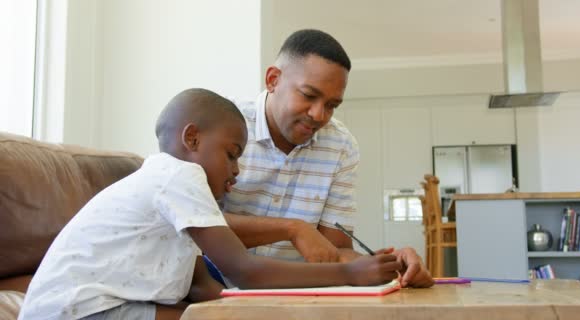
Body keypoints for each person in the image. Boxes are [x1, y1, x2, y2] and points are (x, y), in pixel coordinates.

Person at [18, 88, 404, 320]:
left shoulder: (176, 197)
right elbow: (245, 271)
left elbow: (207, 289)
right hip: (75, 312)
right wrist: (350, 276)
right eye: (232, 154)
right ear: (192, 138)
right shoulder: (178, 176)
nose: (237, 170)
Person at [222, 29, 434, 288]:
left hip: (296, 296)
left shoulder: (341, 146)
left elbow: (335, 251)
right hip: (213, 291)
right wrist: (293, 228)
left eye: (332, 105)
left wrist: (389, 265)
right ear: (273, 80)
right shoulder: (221, 124)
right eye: (309, 95)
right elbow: (192, 221)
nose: (319, 115)